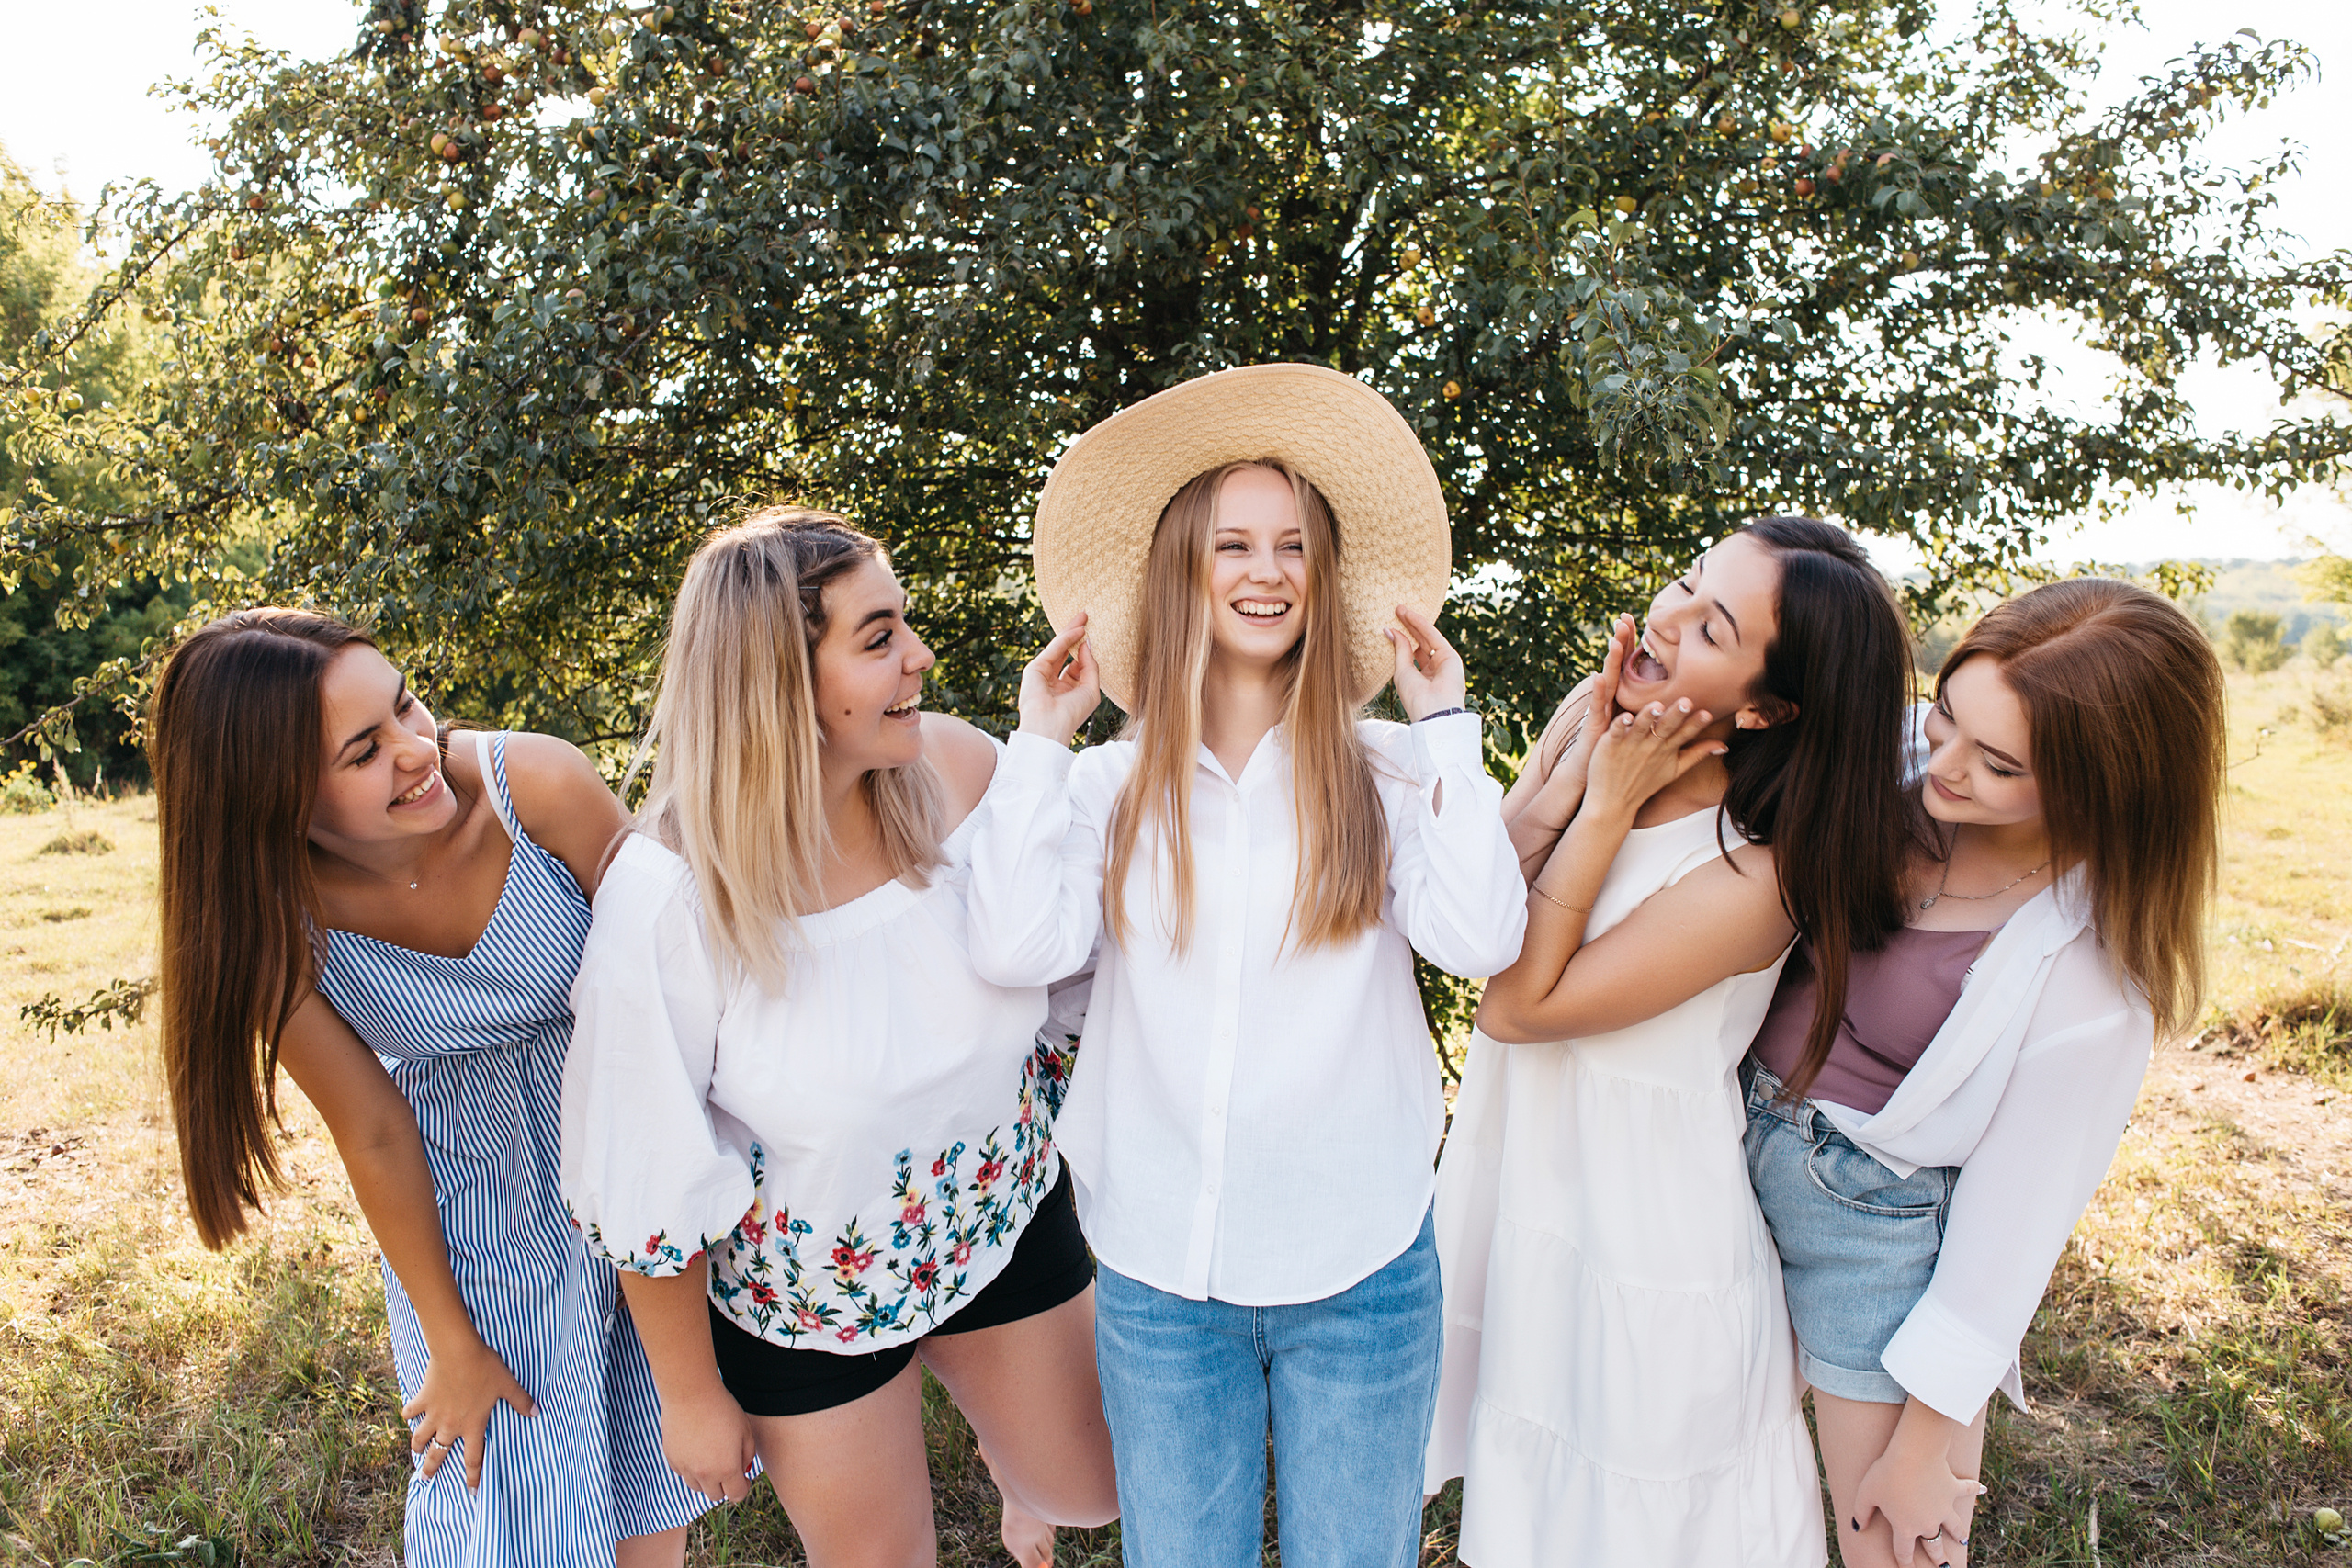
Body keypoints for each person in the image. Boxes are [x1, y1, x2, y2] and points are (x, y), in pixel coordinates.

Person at [966, 362, 1529, 1568]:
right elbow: (1015, 943)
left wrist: (1449, 727)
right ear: (1185, 566)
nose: (1265, 570)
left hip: (1363, 1268)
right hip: (1163, 1277)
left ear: (1324, 577)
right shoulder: (1110, 787)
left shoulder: (1384, 772)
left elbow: (1480, 938)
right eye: (1233, 543)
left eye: (1292, 545)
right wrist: (1036, 741)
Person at [558, 509, 1118, 1568]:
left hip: (994, 1210)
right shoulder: (668, 899)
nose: (919, 657)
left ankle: (1018, 1474)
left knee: (1092, 1489)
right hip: (810, 1290)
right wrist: (689, 1397)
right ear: (777, 681)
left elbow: (1066, 937)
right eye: (877, 639)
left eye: (901, 624)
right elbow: (640, 1165)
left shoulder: (953, 769)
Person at [150, 608, 710, 1568]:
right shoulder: (274, 925)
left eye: (407, 703)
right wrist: (449, 1339)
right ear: (272, 796)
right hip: (475, 1206)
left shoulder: (535, 786)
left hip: (631, 1151)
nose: (417, 749)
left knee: (642, 1468)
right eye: (365, 750)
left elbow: (679, 973)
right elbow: (372, 1128)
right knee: (504, 1502)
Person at [1429, 517, 1923, 1566]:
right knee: (1532, 1524)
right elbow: (1470, 920)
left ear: (1765, 706)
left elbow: (1517, 1007)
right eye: (1686, 585)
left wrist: (1603, 806)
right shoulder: (1593, 729)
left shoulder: (1756, 874)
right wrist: (1576, 765)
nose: (1662, 620)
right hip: (1538, 1203)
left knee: (1641, 1528)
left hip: (1644, 1247)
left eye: (1711, 625)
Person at [1739, 578, 2225, 1568]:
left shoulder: (2091, 978)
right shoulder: (1902, 778)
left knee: (1896, 1544)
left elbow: (2011, 1235)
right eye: (1945, 715)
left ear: (2101, 784)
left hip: (1867, 1226)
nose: (1943, 765)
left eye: (1999, 765)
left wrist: (1925, 1444)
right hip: (1718, 1142)